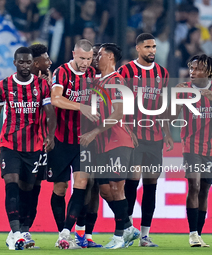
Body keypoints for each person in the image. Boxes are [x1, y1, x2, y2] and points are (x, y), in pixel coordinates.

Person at [0, 47, 56, 250]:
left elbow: (50, 112)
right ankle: (16, 233)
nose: (25, 65)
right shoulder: (3, 85)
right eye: (21, 62)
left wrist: (50, 136)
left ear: (33, 63)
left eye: (28, 62)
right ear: (15, 63)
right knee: (11, 184)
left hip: (34, 147)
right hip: (9, 144)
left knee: (29, 190)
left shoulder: (42, 86)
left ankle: (22, 230)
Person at [80, 43, 139, 249]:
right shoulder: (97, 81)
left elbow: (117, 113)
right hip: (102, 144)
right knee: (105, 190)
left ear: (110, 57)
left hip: (117, 141)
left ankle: (119, 236)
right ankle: (129, 228)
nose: (95, 57)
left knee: (117, 187)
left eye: (99, 54)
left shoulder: (117, 80)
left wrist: (94, 131)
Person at [118, 33, 174, 247]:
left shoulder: (163, 73)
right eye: (148, 47)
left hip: (155, 137)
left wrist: (167, 132)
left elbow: (163, 106)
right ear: (138, 49)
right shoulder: (126, 71)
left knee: (151, 184)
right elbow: (119, 102)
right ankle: (127, 230)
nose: (152, 50)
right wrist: (124, 127)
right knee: (132, 181)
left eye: (154, 47)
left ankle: (144, 235)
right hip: (134, 135)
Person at [173, 54, 212, 247]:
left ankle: (199, 234)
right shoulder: (184, 90)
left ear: (209, 71)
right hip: (190, 145)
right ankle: (192, 233)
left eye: (197, 69)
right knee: (194, 185)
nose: (193, 72)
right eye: (191, 68)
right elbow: (171, 116)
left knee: (204, 190)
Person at [48, 39, 97, 249]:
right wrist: (81, 107)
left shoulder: (92, 75)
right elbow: (55, 99)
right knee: (60, 189)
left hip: (83, 141)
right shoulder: (62, 72)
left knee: (82, 184)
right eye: (82, 58)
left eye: (89, 58)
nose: (86, 63)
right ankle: (61, 232)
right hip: (60, 140)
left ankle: (67, 232)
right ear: (73, 54)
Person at [18, 43, 52, 244]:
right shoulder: (19, 84)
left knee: (36, 185)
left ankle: (26, 227)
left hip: (42, 143)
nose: (50, 62)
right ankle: (19, 228)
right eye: (46, 59)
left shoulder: (48, 82)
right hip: (21, 144)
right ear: (36, 63)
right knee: (24, 185)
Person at [74, 43, 102, 248]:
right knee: (85, 184)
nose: (91, 62)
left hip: (100, 139)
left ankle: (88, 234)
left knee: (95, 186)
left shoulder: (106, 78)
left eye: (92, 57)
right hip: (78, 138)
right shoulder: (76, 75)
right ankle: (78, 232)